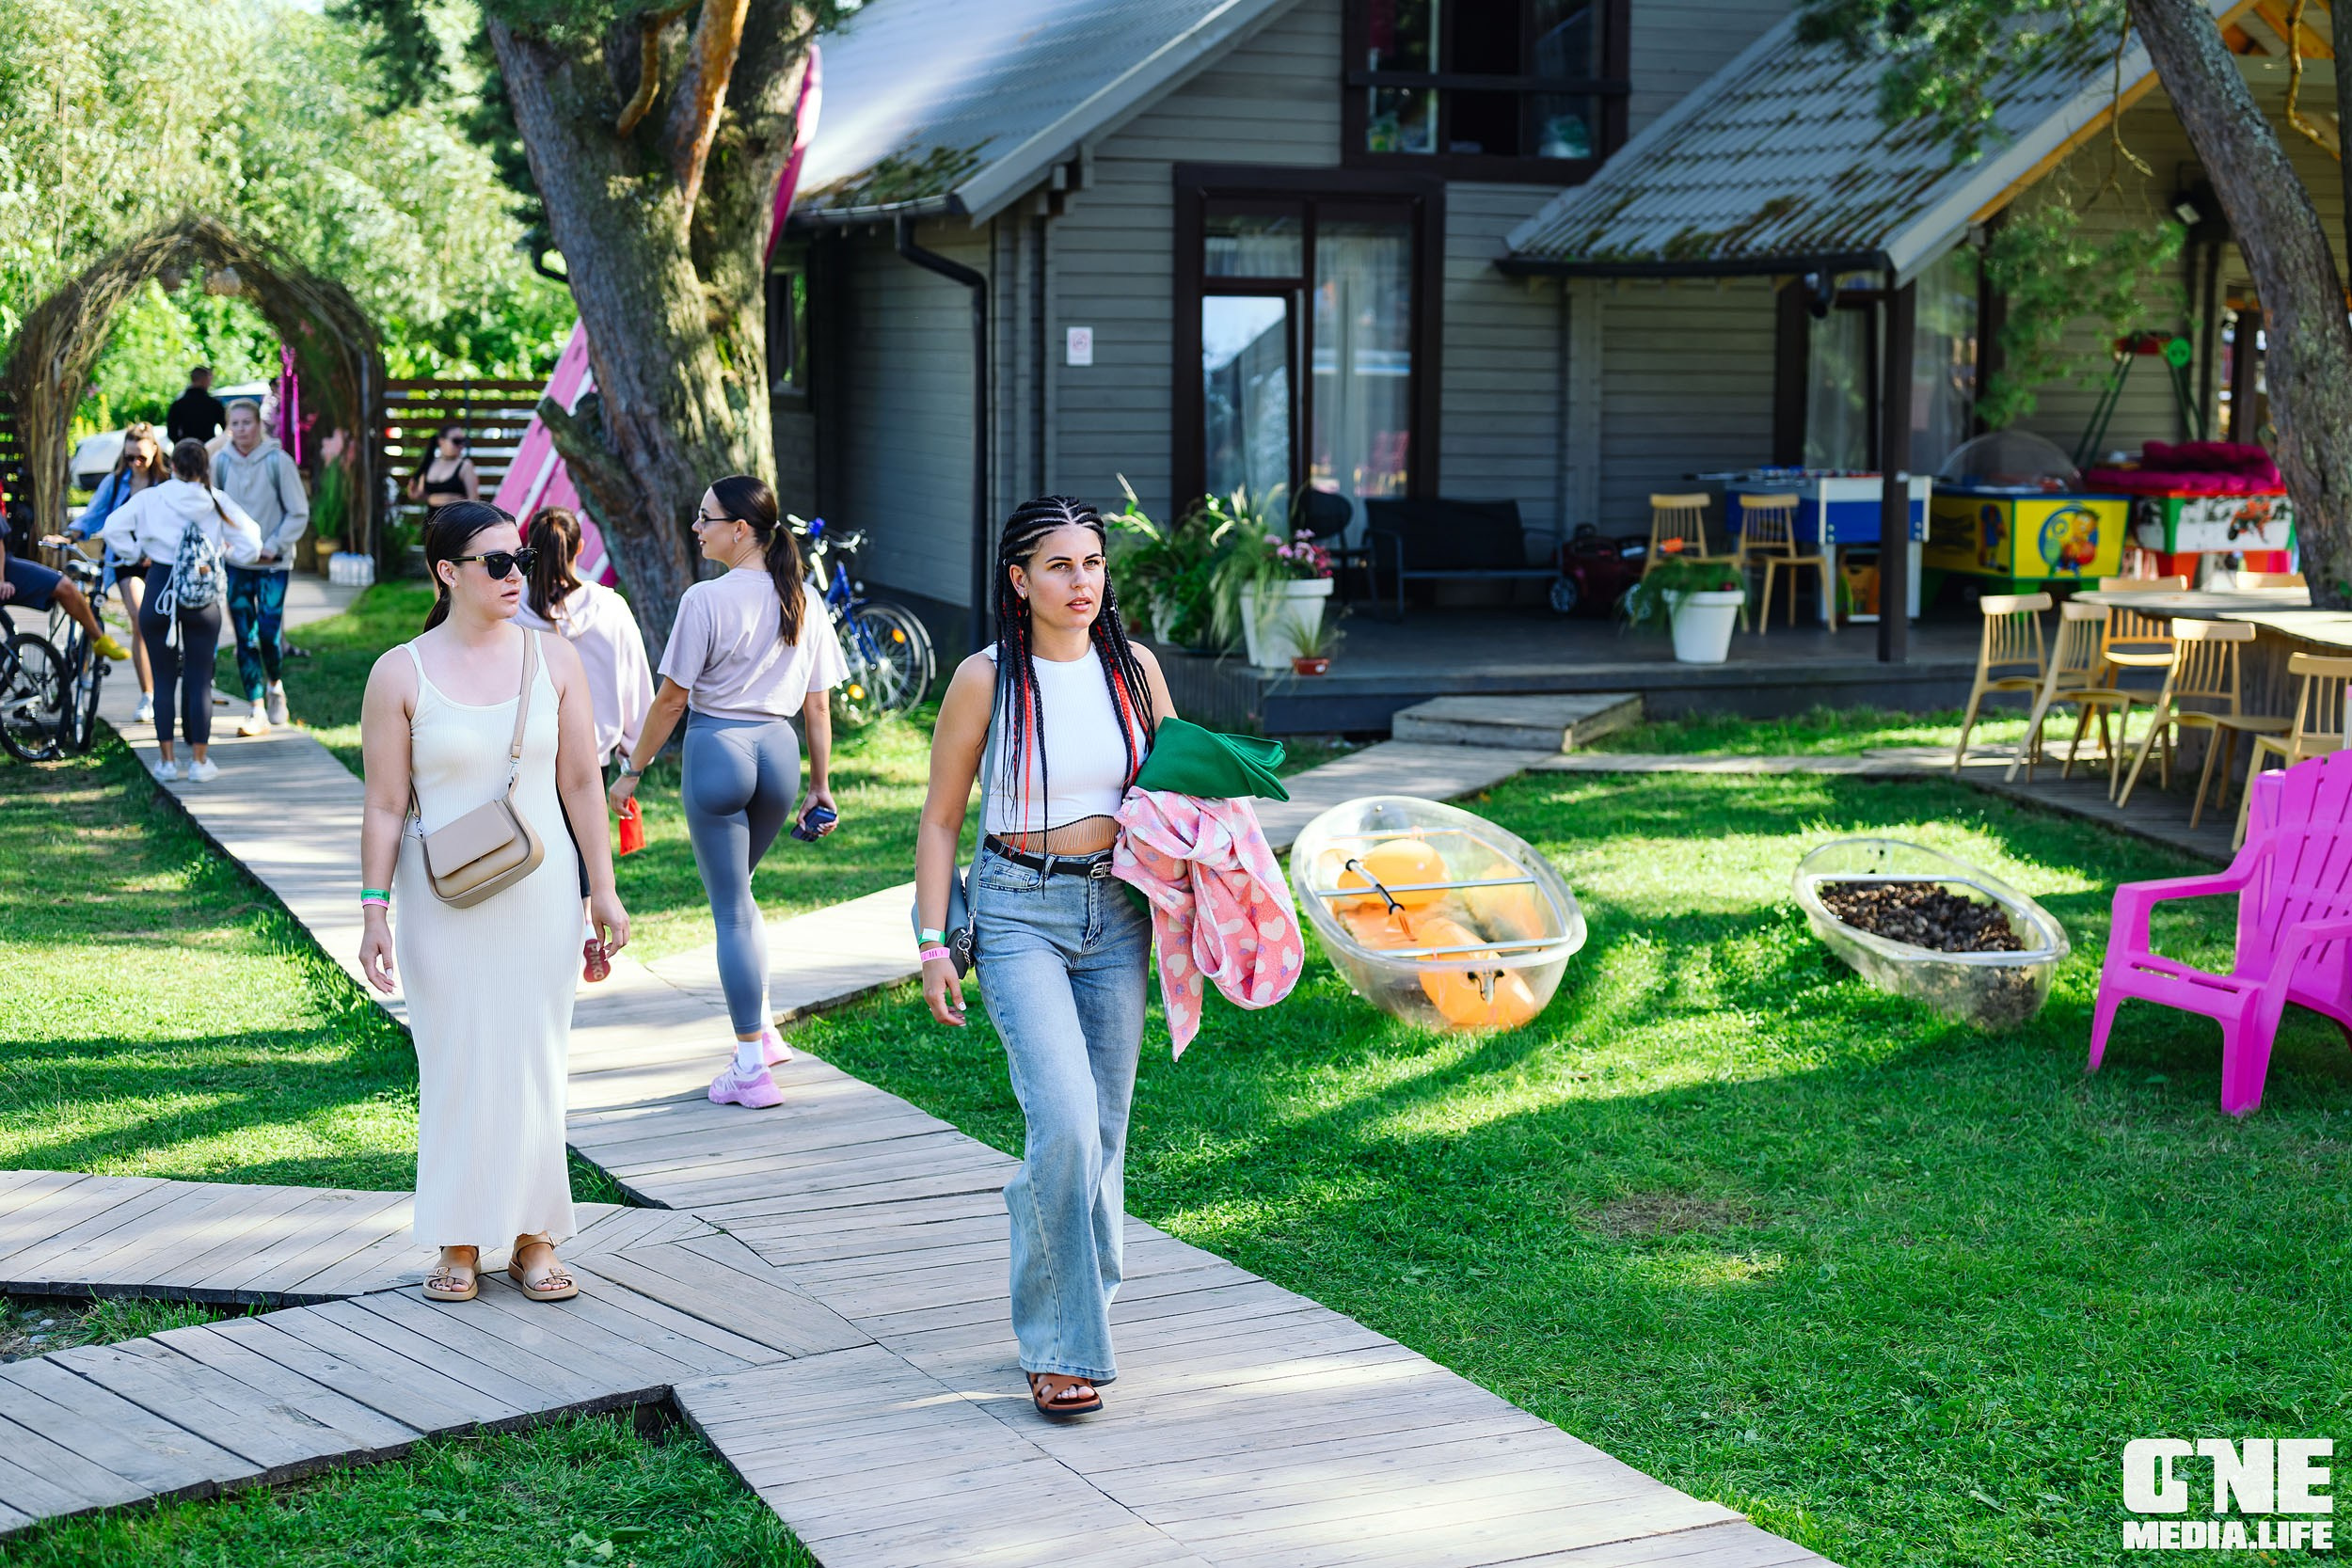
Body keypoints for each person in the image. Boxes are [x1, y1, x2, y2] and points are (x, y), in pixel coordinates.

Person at [914, 495, 1175, 1420]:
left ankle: (1077, 1296)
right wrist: (932, 935)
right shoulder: (987, 677)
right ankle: (1060, 1343)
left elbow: (1177, 800)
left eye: (1093, 563)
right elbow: (942, 818)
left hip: (1119, 907)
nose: (1081, 582)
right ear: (1018, 580)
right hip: (1018, 906)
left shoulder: (1135, 671)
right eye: (1059, 566)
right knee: (1061, 1120)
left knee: (1099, 1131)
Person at [356, 500, 628, 1307]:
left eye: (523, 559)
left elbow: (582, 781)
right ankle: (460, 1237)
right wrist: (373, 909)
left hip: (540, 894)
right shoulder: (399, 672)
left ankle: (537, 1234)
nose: (520, 575)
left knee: (535, 1058)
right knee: (456, 1062)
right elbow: (381, 803)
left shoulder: (558, 662)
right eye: (498, 563)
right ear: (447, 572)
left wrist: (602, 890)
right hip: (440, 897)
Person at [608, 475, 844, 1109]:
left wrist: (632, 769)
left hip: (719, 750)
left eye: (704, 517)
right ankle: (763, 1032)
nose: (696, 527)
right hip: (780, 753)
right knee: (741, 895)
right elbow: (817, 706)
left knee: (732, 908)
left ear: (740, 528)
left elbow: (671, 699)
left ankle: (747, 1067)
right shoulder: (805, 600)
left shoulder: (705, 601)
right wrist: (820, 784)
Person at [516, 505, 653, 942]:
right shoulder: (610, 608)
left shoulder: (512, 611)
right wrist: (633, 756)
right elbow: (637, 685)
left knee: (529, 851)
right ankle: (587, 933)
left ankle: (546, 938)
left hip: (527, 754)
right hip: (593, 756)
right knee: (583, 850)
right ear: (580, 548)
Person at [98, 439, 262, 784]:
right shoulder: (215, 499)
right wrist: (227, 554)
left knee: (162, 680)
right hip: (201, 595)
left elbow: (112, 527)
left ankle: (167, 762)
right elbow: (253, 542)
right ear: (205, 469)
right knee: (200, 681)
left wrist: (134, 552)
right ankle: (200, 763)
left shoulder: (152, 498)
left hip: (159, 587)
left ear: (172, 466)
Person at [213, 401, 310, 736]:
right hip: (237, 564)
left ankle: (275, 686)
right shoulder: (220, 463)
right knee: (244, 636)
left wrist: (274, 545)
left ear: (258, 425)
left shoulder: (277, 461)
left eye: (246, 423)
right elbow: (211, 507)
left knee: (268, 633)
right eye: (235, 423)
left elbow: (297, 511)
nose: (241, 429)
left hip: (272, 563)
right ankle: (255, 707)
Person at [68, 423, 169, 721]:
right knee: (140, 619)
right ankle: (148, 695)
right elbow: (94, 515)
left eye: (140, 457)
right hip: (126, 561)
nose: (135, 463)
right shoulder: (115, 483)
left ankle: (173, 679)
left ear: (154, 452)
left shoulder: (166, 483)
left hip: (160, 560)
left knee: (163, 623)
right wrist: (70, 535)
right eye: (129, 457)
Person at [405, 426, 479, 509]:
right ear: (441, 442)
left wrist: (457, 503)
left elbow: (474, 500)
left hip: (456, 519)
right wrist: (429, 498)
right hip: (432, 520)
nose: (461, 445)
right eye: (457, 441)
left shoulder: (465, 465)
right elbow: (420, 495)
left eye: (463, 441)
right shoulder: (429, 463)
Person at [166, 366, 227, 449]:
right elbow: (226, 428)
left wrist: (181, 445)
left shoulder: (178, 404)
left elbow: (171, 432)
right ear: (205, 380)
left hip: (185, 450)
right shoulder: (214, 404)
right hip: (208, 449)